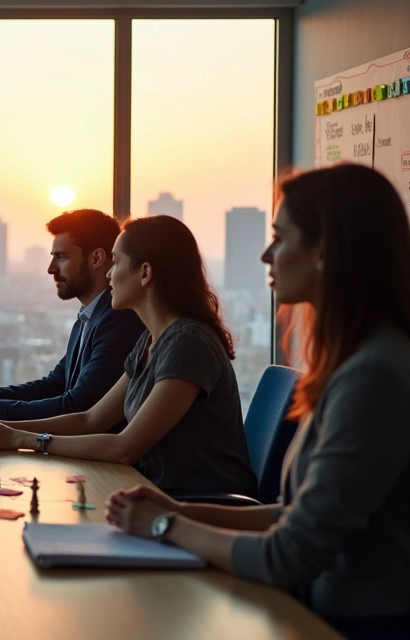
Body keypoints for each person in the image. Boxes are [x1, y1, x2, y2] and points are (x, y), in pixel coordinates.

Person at [106, 164, 410, 639]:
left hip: (347, 624)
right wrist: (176, 513)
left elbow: (289, 552)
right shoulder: (356, 361)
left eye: (280, 237)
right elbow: (288, 514)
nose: (267, 253)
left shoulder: (374, 375)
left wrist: (165, 523)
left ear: (325, 251)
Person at [0, 215, 256, 497]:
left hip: (196, 509)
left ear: (145, 273)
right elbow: (90, 419)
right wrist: (3, 429)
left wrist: (22, 439)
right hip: (153, 497)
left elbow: (125, 447)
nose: (109, 274)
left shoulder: (188, 343)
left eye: (116, 262)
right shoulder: (150, 341)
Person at [0, 209, 145, 424]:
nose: (50, 269)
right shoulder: (88, 318)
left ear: (97, 259)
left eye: (61, 257)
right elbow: (53, 385)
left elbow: (77, 406)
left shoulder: (118, 321)